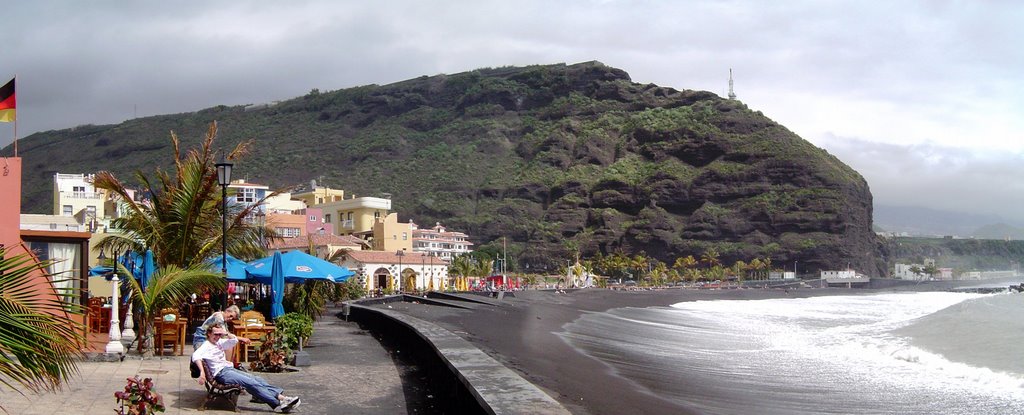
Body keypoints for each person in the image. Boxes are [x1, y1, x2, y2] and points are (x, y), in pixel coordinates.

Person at [193, 323, 301, 413]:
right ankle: (280, 401)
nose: (217, 336)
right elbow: (195, 356)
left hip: (228, 370)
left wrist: (226, 333)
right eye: (215, 334)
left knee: (257, 379)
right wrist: (202, 372)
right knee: (250, 383)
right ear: (208, 334)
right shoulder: (206, 346)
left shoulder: (219, 342)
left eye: (219, 334)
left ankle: (282, 400)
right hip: (222, 374)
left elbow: (234, 341)